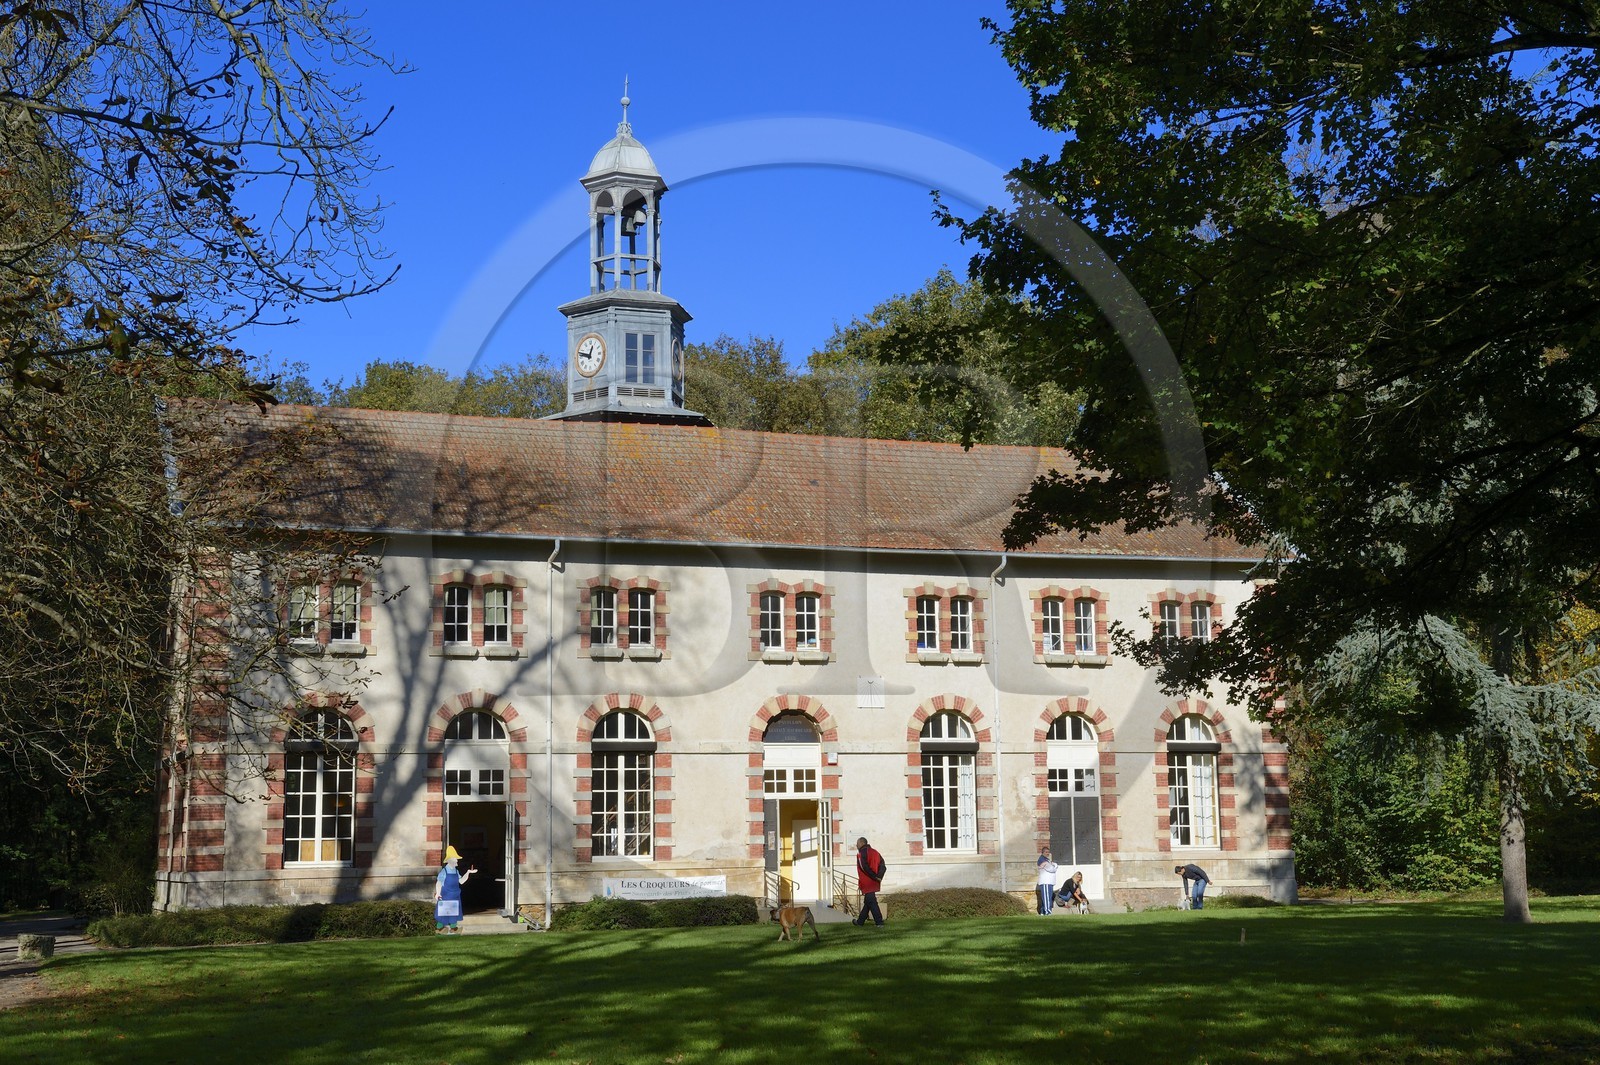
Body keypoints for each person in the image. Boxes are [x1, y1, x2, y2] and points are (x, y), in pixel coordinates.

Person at [435, 845, 476, 933]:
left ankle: (453, 927)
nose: (457, 861)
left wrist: (468, 873)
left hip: (455, 895)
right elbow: (439, 882)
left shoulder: (456, 871)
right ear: (450, 860)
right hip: (446, 895)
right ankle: (439, 927)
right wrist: (438, 893)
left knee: (453, 912)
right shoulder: (444, 871)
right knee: (444, 912)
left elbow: (461, 881)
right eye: (455, 859)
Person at [853, 836, 886, 927]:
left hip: (867, 881)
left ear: (861, 843)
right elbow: (883, 865)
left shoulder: (861, 853)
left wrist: (875, 876)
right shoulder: (876, 852)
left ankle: (879, 922)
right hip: (875, 881)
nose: (856, 845)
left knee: (872, 902)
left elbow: (864, 867)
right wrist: (879, 876)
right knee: (868, 902)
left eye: (857, 843)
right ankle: (860, 922)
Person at [1035, 848, 1058, 915]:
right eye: (1046, 852)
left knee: (1048, 897)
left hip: (1049, 882)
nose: (1047, 853)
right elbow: (1051, 869)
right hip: (1045, 882)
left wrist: (1054, 865)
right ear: (1042, 852)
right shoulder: (1042, 859)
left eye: (1048, 852)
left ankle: (1043, 912)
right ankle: (1048, 911)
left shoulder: (1047, 860)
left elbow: (1052, 866)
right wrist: (1055, 865)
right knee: (1046, 897)